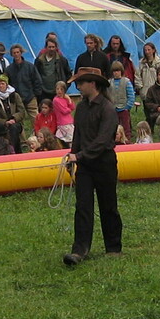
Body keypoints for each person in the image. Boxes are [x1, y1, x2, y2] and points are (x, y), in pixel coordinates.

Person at [63, 67, 122, 266]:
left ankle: (113, 247)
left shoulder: (107, 108)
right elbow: (78, 135)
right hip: (85, 165)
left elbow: (103, 141)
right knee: (82, 207)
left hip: (104, 163)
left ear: (93, 84)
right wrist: (73, 157)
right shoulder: (81, 108)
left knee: (108, 206)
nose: (78, 86)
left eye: (81, 83)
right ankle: (79, 250)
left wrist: (79, 156)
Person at [6, 43, 42, 123]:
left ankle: (39, 131)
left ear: (21, 52)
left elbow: (37, 80)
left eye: (17, 52)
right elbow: (8, 84)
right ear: (12, 54)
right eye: (14, 53)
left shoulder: (30, 66)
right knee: (18, 120)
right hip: (17, 98)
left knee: (36, 119)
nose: (16, 54)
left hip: (30, 97)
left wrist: (35, 94)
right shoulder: (9, 69)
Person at [0, 72, 26, 147]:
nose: (1, 86)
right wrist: (5, 122)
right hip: (1, 123)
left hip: (14, 122)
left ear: (7, 85)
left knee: (14, 127)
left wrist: (14, 119)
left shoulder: (15, 95)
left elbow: (21, 111)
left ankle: (13, 148)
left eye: (2, 84)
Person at [107, 61, 138, 139]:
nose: (116, 73)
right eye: (114, 71)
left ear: (121, 71)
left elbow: (131, 95)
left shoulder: (126, 81)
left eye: (118, 71)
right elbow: (107, 95)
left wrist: (128, 106)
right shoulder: (109, 82)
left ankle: (127, 139)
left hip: (124, 109)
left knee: (126, 126)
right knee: (113, 127)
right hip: (113, 109)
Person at [52, 81, 75, 145]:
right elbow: (65, 111)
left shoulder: (65, 98)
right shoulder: (56, 100)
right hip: (63, 123)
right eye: (57, 89)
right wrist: (69, 109)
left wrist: (69, 100)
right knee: (69, 139)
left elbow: (73, 107)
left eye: (61, 89)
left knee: (71, 138)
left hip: (69, 121)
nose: (59, 91)